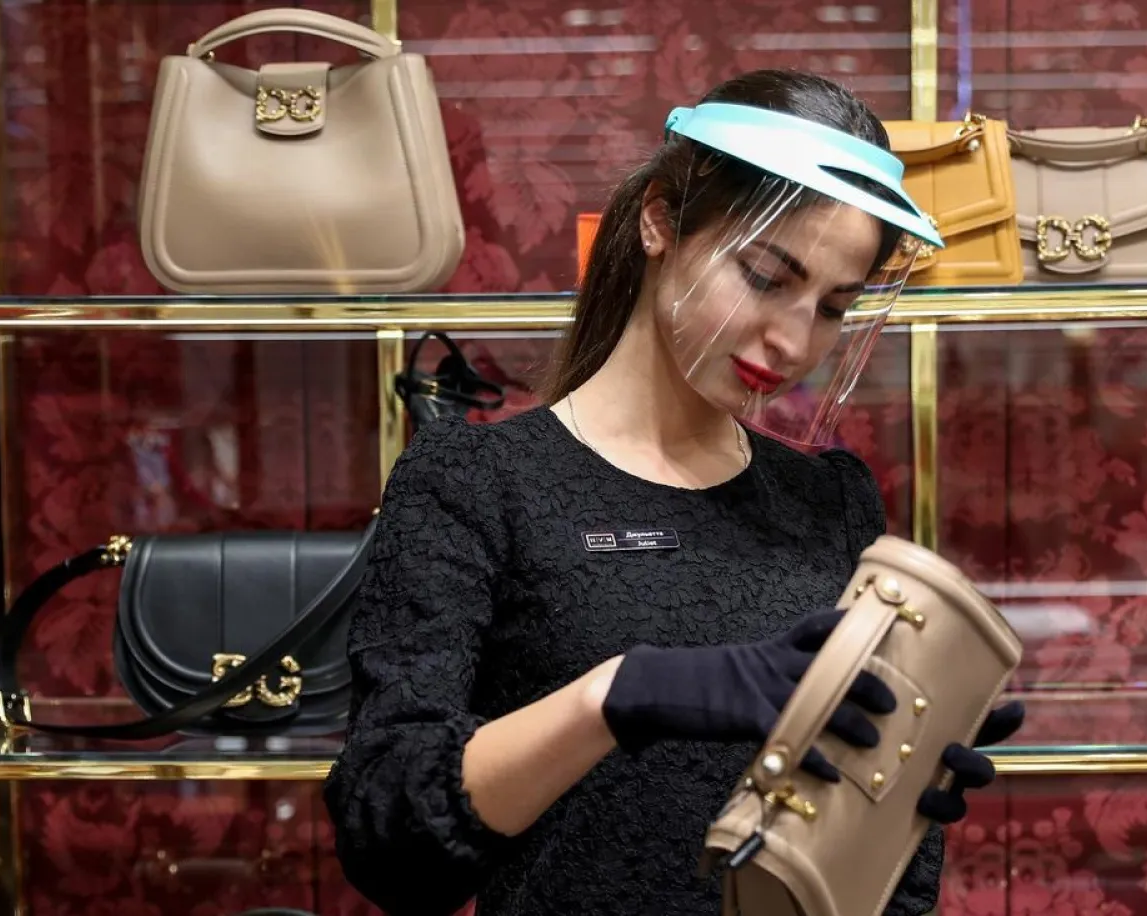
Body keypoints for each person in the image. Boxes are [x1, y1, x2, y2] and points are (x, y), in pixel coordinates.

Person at [322, 68, 1024, 916]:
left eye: (835, 305)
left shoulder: (829, 501)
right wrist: (614, 696)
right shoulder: (477, 485)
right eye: (766, 277)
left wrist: (893, 807)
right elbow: (390, 844)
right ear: (660, 219)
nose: (794, 341)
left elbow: (864, 871)